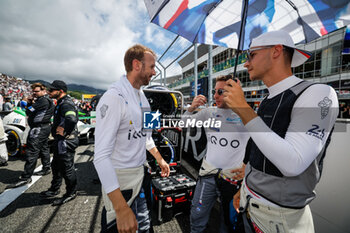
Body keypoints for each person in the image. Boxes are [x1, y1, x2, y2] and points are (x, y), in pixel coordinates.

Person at [223, 30, 339, 232]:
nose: (246, 63)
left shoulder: (319, 93)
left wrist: (244, 110)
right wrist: (245, 188)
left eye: (252, 55)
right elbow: (262, 149)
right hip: (250, 205)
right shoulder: (268, 99)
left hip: (281, 220)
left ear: (276, 51)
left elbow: (293, 163)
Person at [94, 44, 170, 233]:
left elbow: (147, 136)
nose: (154, 72)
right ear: (137, 65)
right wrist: (120, 208)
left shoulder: (143, 98)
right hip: (121, 180)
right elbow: (100, 156)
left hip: (141, 174)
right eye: (152, 67)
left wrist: (160, 159)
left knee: (144, 228)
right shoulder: (113, 97)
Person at [183, 75, 249, 233]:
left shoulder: (246, 115)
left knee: (228, 223)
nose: (215, 96)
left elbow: (262, 144)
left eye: (221, 91)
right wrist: (191, 108)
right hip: (208, 175)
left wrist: (248, 168)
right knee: (197, 216)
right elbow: (184, 123)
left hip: (232, 180)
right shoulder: (208, 113)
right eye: (215, 91)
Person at [7, 83, 55, 188]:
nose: (34, 93)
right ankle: (46, 168)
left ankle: (26, 177)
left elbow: (28, 111)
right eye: (33, 91)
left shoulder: (42, 100)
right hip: (44, 127)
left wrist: (28, 102)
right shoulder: (45, 100)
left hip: (39, 128)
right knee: (44, 148)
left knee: (31, 151)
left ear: (43, 91)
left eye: (36, 91)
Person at [40, 80, 79, 206]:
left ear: (60, 91)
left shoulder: (66, 104)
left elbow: (72, 118)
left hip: (66, 142)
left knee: (67, 169)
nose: (49, 92)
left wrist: (65, 131)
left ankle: (71, 192)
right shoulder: (61, 102)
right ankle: (54, 189)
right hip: (61, 141)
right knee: (56, 166)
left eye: (51, 90)